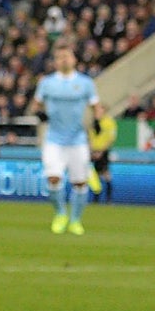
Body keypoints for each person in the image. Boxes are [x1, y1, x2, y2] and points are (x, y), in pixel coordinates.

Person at [31, 39, 98, 235]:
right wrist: (40, 114)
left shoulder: (85, 83)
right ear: (55, 61)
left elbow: (96, 106)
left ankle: (76, 220)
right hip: (54, 139)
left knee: (79, 182)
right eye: (59, 57)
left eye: (66, 56)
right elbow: (36, 105)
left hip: (77, 139)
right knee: (53, 178)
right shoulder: (47, 83)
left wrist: (98, 122)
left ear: (74, 59)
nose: (63, 60)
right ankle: (60, 213)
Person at [88, 102, 116, 203]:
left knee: (105, 173)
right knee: (94, 175)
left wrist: (101, 151)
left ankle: (108, 199)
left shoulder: (109, 122)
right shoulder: (94, 122)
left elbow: (111, 138)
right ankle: (96, 199)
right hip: (94, 151)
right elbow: (91, 137)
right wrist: (92, 150)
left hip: (103, 151)